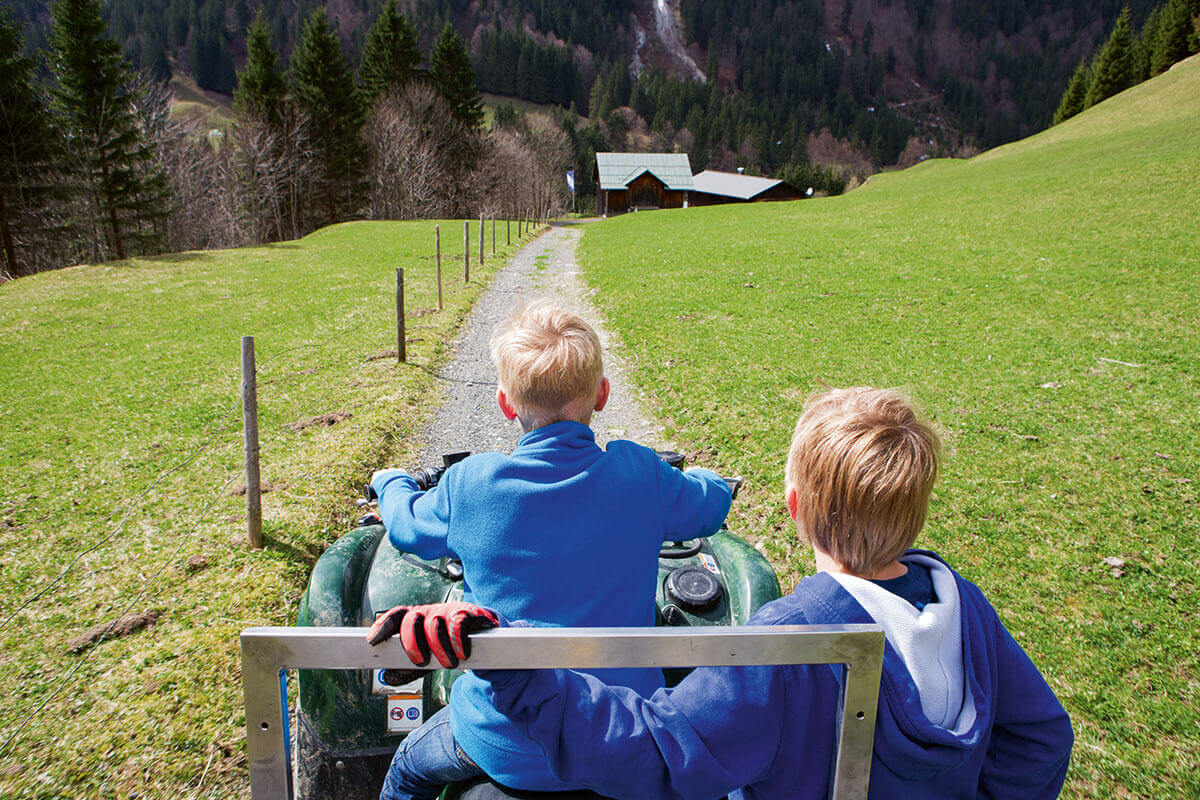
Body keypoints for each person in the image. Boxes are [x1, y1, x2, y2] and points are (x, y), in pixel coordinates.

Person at [393, 387, 1075, 799]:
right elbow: (1042, 737)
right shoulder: (967, 607)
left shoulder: (787, 640)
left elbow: (660, 749)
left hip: (512, 728)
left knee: (408, 762)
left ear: (795, 508)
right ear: (916, 510)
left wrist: (515, 667)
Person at [366, 300, 733, 800]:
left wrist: (390, 482)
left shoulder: (469, 484)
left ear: (505, 403)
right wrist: (707, 479)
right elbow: (710, 508)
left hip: (502, 737)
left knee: (407, 768)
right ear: (601, 395)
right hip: (622, 731)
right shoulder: (641, 475)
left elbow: (406, 528)